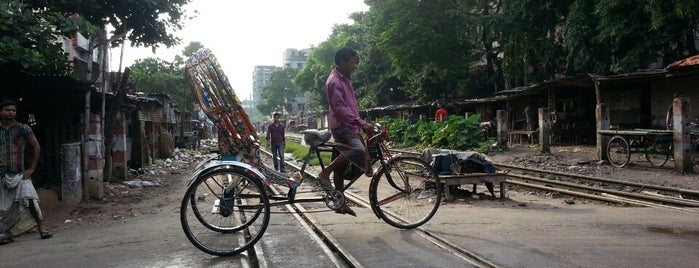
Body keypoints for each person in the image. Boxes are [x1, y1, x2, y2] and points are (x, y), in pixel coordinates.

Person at [318, 47, 373, 217]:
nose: (354, 66)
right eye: (352, 63)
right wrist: (360, 123)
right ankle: (325, 173)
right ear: (342, 62)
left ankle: (340, 203)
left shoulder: (346, 79)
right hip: (342, 126)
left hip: (349, 125)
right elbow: (340, 108)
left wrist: (359, 122)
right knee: (358, 150)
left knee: (341, 169)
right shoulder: (334, 81)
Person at [0, 99, 52, 245]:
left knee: (30, 200)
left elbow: (36, 147)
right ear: (1, 112)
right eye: (7, 110)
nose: (10, 112)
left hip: (20, 174)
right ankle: (8, 234)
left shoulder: (23, 128)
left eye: (13, 110)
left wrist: (32, 168)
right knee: (6, 208)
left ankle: (42, 229)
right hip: (2, 175)